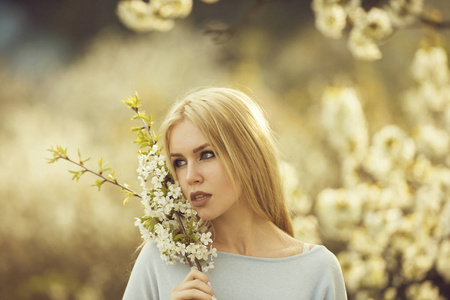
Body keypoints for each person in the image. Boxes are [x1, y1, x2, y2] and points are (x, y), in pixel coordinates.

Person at [123, 87, 347, 300]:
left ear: (248, 155)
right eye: (179, 162)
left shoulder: (317, 270)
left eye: (206, 154)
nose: (190, 176)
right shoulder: (162, 259)